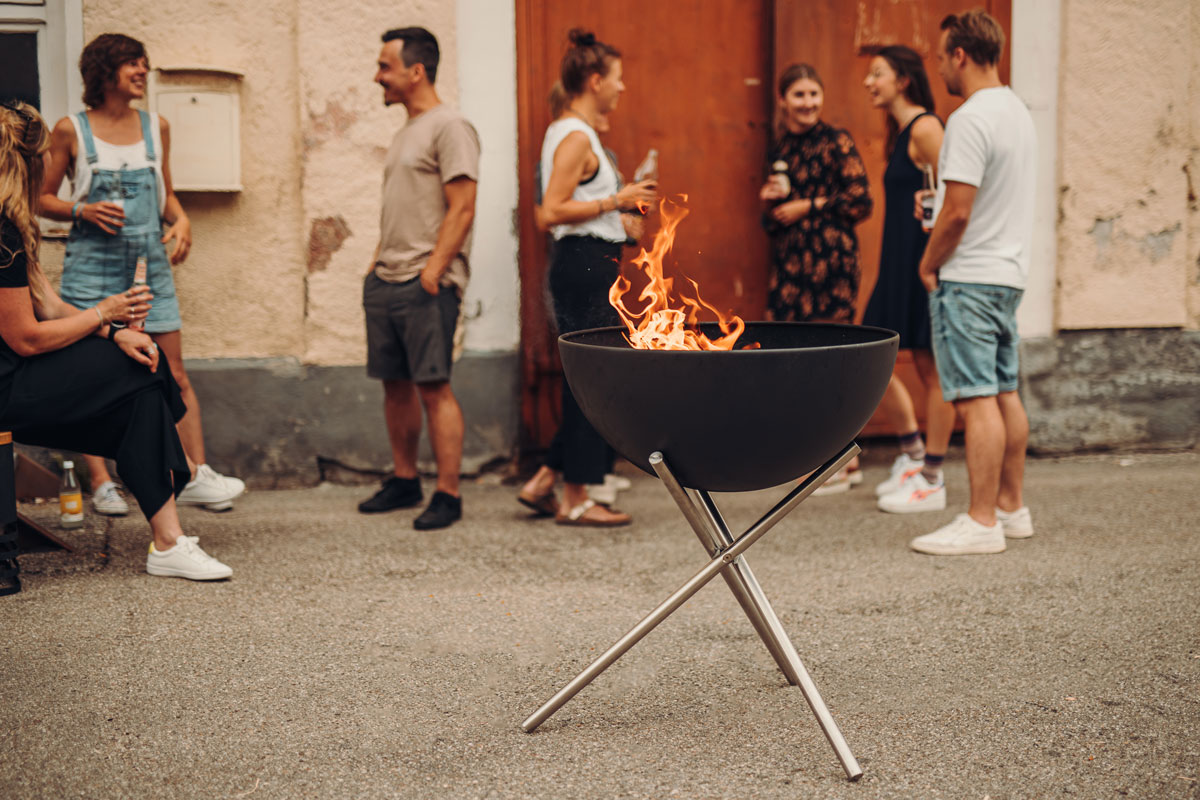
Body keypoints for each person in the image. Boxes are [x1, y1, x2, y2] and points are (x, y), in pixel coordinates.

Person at [0, 100, 231, 580]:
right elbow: (26, 339)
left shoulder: (13, 227)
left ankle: (168, 540)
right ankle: (185, 476)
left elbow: (52, 309)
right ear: (24, 163)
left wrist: (114, 331)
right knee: (140, 375)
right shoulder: (1, 233)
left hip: (18, 374)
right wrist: (105, 312)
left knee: (137, 374)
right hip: (8, 383)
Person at [39, 33, 243, 515]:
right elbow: (40, 199)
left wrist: (183, 219)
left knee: (173, 371)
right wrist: (81, 211)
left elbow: (166, 193)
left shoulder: (158, 127)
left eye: (143, 63)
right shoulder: (71, 129)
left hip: (148, 269)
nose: (142, 71)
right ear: (104, 72)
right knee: (93, 371)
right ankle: (101, 481)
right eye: (132, 63)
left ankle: (195, 472)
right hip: (90, 266)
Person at [516, 29, 656, 527]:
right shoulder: (576, 136)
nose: (623, 88)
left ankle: (547, 480)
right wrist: (614, 202)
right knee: (591, 381)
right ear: (595, 81)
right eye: (618, 79)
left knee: (589, 376)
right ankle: (575, 498)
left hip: (589, 263)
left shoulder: (573, 131)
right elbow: (548, 211)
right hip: (583, 266)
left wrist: (620, 216)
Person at [909, 10, 1036, 555]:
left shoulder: (969, 117)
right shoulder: (1017, 112)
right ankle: (1011, 507)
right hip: (1007, 275)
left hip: (970, 276)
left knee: (978, 399)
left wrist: (929, 262)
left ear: (960, 54)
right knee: (1005, 392)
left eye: (940, 57)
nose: (939, 68)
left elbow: (958, 212)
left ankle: (981, 521)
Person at [356, 26, 479, 531]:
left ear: (415, 71)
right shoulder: (407, 130)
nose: (376, 76)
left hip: (425, 283)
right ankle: (405, 480)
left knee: (433, 387)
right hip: (387, 279)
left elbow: (463, 205)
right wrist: (375, 266)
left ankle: (448, 494)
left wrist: (432, 273)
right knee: (395, 387)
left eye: (385, 66)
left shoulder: (451, 126)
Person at [759, 63, 872, 493]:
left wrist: (807, 206)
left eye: (813, 94)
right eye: (799, 95)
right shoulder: (780, 147)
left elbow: (861, 200)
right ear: (784, 100)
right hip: (792, 266)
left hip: (832, 263)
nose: (808, 103)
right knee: (794, 359)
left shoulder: (836, 140)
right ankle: (813, 456)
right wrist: (768, 203)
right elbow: (771, 223)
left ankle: (843, 460)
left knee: (832, 360)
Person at [860, 45, 958, 513]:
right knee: (876, 357)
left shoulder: (926, 127)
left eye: (876, 74)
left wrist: (935, 257)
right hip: (899, 264)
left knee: (933, 368)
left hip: (924, 267)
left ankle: (932, 477)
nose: (867, 82)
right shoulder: (902, 132)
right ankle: (917, 457)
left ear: (903, 80)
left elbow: (958, 196)